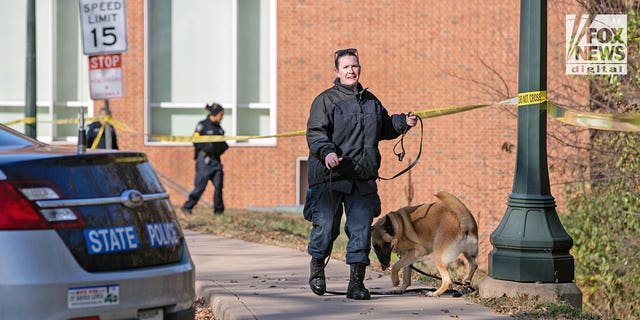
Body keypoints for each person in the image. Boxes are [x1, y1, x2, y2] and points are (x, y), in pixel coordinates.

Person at [304, 48, 418, 300]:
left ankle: (356, 283)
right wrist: (328, 153)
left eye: (354, 66)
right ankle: (317, 271)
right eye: (345, 67)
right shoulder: (325, 100)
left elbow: (385, 126)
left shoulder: (371, 101)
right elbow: (315, 133)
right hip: (331, 176)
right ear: (337, 72)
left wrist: (402, 122)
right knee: (325, 229)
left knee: (360, 231)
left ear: (359, 68)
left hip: (362, 177)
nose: (351, 70)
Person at [181, 103, 229, 215]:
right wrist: (206, 149)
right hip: (204, 161)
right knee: (200, 187)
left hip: (216, 161)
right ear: (215, 114)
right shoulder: (202, 125)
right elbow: (195, 140)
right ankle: (187, 207)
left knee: (219, 186)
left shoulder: (219, 128)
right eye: (221, 114)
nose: (222, 117)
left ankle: (219, 211)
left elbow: (223, 143)